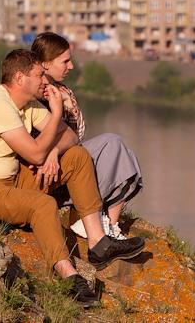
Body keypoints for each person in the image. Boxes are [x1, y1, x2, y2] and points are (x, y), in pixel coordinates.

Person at [0, 49, 145, 307]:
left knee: (76, 156)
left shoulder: (26, 105)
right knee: (43, 205)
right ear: (20, 78)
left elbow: (71, 137)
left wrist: (53, 151)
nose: (45, 80)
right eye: (39, 75)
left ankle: (98, 243)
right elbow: (34, 153)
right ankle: (69, 277)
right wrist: (56, 112)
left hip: (10, 180)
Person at [30, 32, 144, 241]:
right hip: (46, 172)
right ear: (45, 64)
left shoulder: (61, 90)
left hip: (66, 160)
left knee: (124, 155)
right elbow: (46, 141)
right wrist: (54, 148)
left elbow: (78, 135)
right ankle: (97, 219)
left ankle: (109, 226)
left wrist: (68, 103)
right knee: (113, 143)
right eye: (65, 61)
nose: (71, 66)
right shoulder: (34, 94)